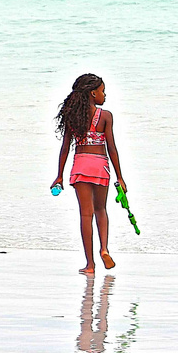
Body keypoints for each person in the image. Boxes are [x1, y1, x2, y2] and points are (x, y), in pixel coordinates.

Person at [52, 73, 127, 274]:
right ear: (93, 93)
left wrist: (59, 175)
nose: (105, 94)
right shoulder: (105, 116)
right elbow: (112, 148)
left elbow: (65, 147)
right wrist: (120, 177)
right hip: (100, 167)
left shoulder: (73, 116)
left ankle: (90, 264)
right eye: (103, 91)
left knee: (86, 215)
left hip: (80, 167)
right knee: (101, 210)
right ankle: (104, 248)